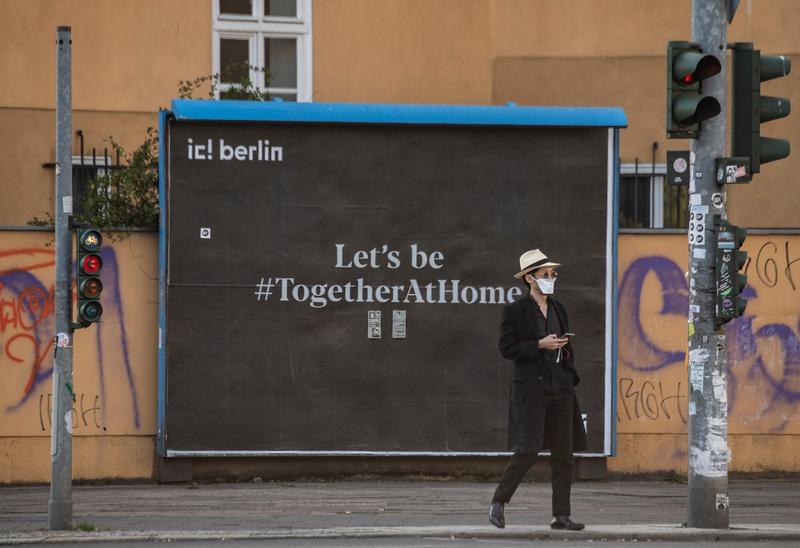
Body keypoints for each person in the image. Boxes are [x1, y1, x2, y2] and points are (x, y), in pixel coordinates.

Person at [489, 249, 587, 531]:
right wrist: (539, 345)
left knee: (564, 454)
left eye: (553, 274)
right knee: (528, 449)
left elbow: (567, 345)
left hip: (561, 385)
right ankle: (498, 501)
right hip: (532, 388)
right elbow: (507, 348)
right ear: (530, 278)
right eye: (545, 274)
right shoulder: (515, 311)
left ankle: (561, 516)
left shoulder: (559, 308)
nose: (551, 278)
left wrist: (566, 365)